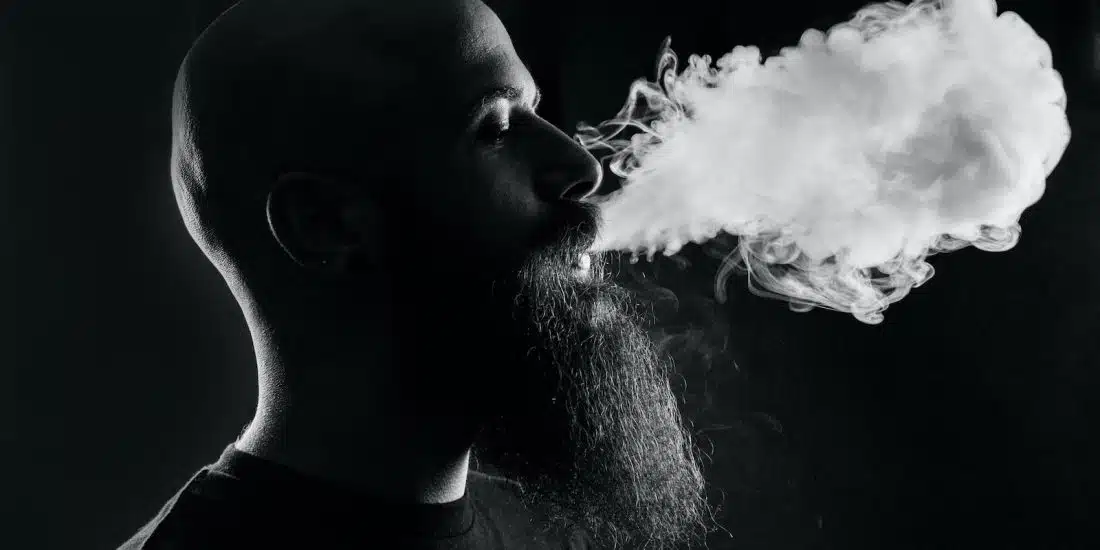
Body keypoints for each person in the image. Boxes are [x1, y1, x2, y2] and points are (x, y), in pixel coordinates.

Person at [120, 0, 714, 548]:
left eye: (535, 111)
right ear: (325, 225)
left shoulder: (548, 528)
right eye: (497, 127)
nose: (582, 167)